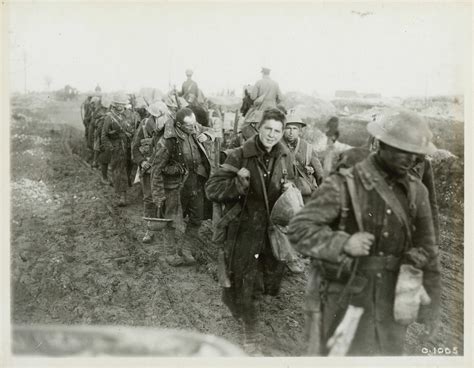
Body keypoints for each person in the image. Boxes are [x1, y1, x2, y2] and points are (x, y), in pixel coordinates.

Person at [288, 108, 440, 356]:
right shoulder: (345, 184)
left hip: (392, 304)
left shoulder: (417, 191)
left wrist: (432, 305)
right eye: (404, 151)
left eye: (417, 155)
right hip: (346, 297)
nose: (412, 160)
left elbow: (428, 249)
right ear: (382, 145)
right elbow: (298, 229)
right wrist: (342, 243)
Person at [205, 108, 296, 353]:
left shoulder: (285, 155)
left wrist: (290, 187)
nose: (272, 135)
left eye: (277, 131)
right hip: (244, 230)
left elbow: (300, 183)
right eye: (268, 128)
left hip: (271, 230)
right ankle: (251, 332)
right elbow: (212, 189)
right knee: (247, 283)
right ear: (259, 128)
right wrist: (237, 184)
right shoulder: (239, 155)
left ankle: (244, 309)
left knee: (269, 280)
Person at [150, 107, 214, 266]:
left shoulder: (194, 128)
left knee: (197, 218)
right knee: (171, 220)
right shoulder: (168, 141)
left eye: (195, 124)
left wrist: (206, 135)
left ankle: (185, 250)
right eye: (189, 126)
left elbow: (212, 130)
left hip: (196, 182)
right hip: (176, 186)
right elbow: (156, 170)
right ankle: (170, 254)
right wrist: (158, 196)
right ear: (179, 125)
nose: (194, 128)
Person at [132, 101, 171, 243]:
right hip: (148, 170)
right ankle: (149, 230)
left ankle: (168, 230)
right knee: (149, 199)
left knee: (167, 199)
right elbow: (135, 148)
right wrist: (142, 162)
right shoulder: (144, 126)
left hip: (166, 170)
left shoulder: (171, 126)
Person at [282, 113, 323, 203]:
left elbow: (319, 174)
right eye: (288, 128)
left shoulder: (307, 147)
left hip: (305, 192)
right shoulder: (277, 147)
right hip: (284, 192)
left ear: (300, 131)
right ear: (283, 130)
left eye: (295, 128)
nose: (291, 132)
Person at [101, 93, 132, 206]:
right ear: (116, 105)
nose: (122, 106)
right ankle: (120, 195)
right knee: (117, 171)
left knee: (123, 171)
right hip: (116, 148)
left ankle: (122, 194)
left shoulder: (126, 115)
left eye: (123, 104)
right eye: (120, 104)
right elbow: (104, 135)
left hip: (126, 147)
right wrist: (111, 148)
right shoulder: (109, 117)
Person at [93, 95, 112, 185]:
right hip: (101, 136)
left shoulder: (110, 111)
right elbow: (95, 119)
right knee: (100, 152)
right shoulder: (100, 111)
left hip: (106, 137)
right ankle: (96, 163)